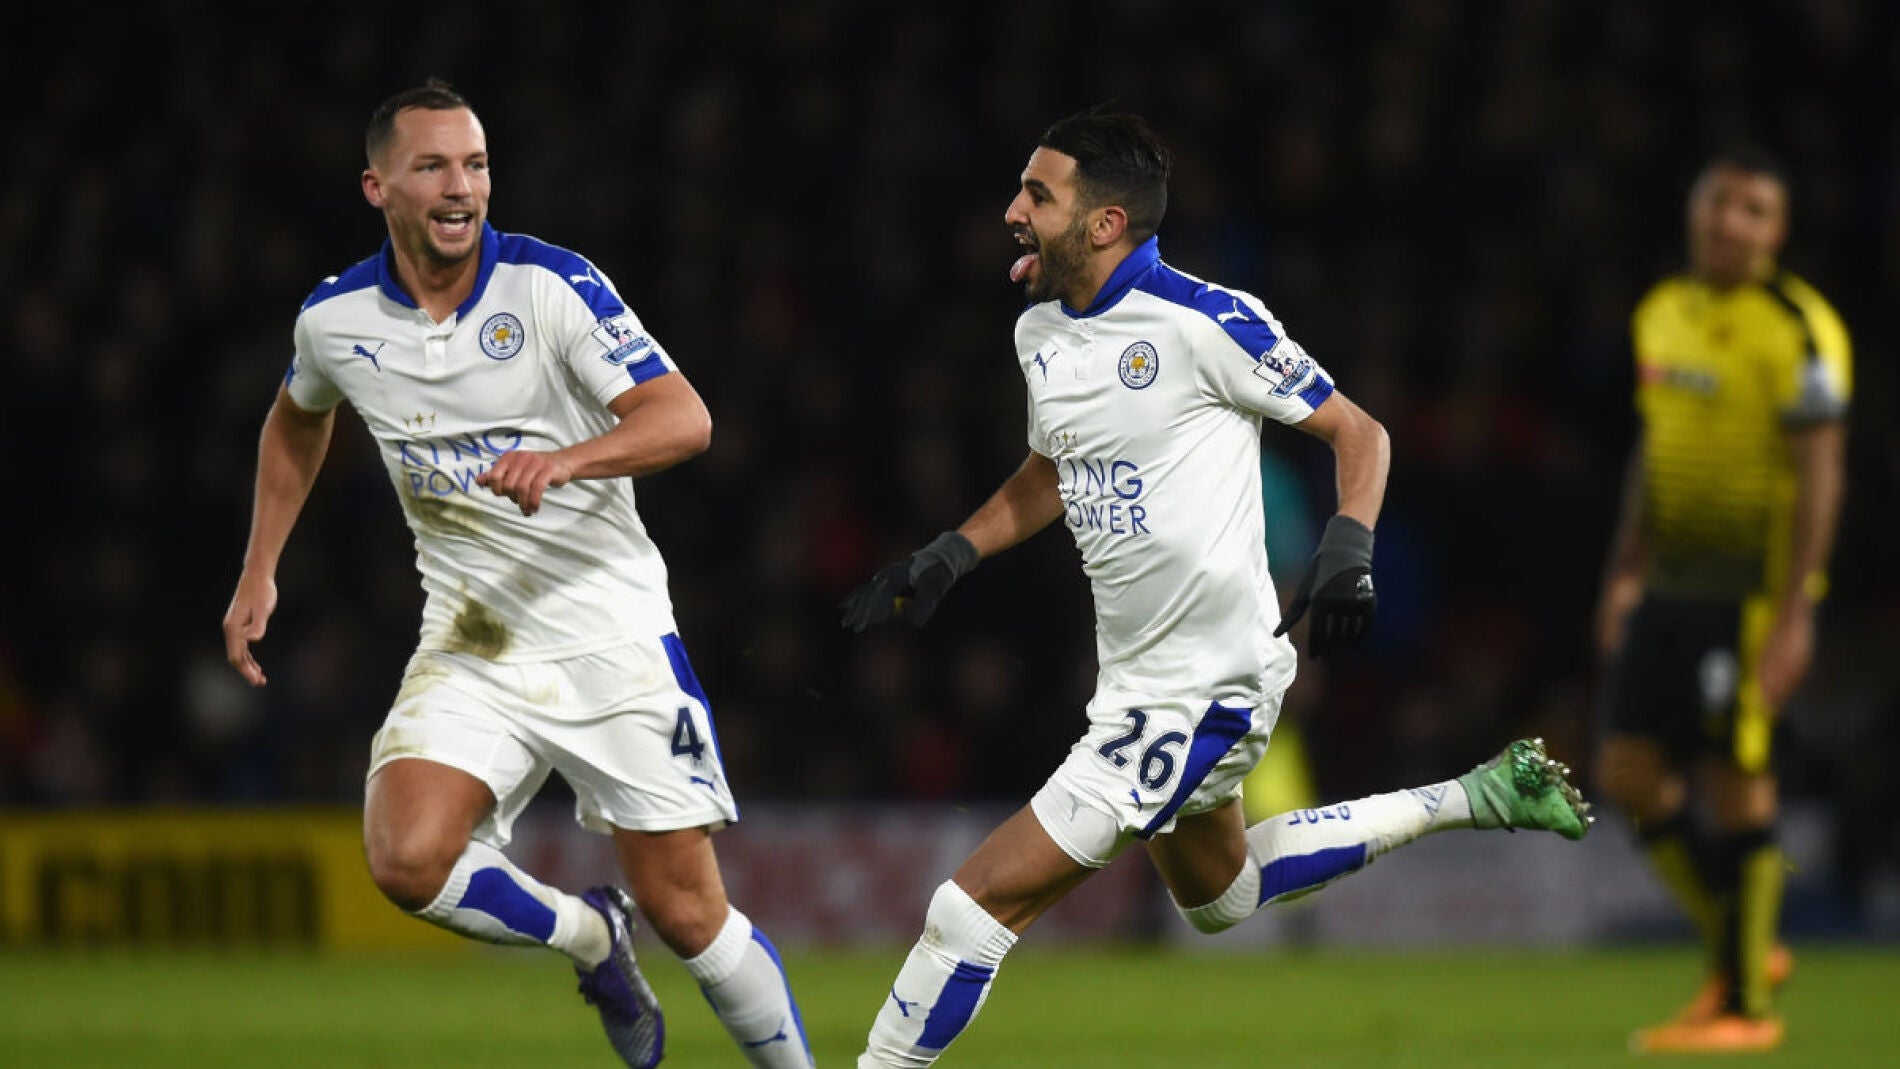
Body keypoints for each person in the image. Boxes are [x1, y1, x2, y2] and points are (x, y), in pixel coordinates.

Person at [839, 105, 1593, 1068]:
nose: (1011, 212)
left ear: (1105, 223)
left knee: (969, 904)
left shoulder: (1208, 321)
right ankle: (1476, 795)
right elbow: (1049, 470)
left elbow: (1361, 434)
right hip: (1136, 681)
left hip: (1208, 688)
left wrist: (1348, 544)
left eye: (1038, 194)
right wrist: (953, 549)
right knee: (1222, 899)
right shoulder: (1040, 334)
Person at [221, 79, 812, 1069]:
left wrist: (567, 460)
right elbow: (298, 415)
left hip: (610, 632)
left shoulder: (550, 287)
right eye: (435, 166)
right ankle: (591, 937)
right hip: (475, 639)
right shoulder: (335, 320)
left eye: (477, 164)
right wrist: (259, 569)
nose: (463, 188)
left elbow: (684, 418)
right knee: (406, 860)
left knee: (687, 907)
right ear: (378, 187)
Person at [1594, 147, 1851, 1054]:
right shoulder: (1661, 313)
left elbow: (1821, 477)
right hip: (1666, 585)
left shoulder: (1802, 328)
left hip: (1746, 594)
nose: (1730, 220)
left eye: (1753, 209)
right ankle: (1745, 946)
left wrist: (1798, 610)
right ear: (1695, 211)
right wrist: (1624, 569)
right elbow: (1653, 451)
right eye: (1719, 202)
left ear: (1776, 232)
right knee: (1627, 772)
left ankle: (1744, 1005)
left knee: (1735, 781)